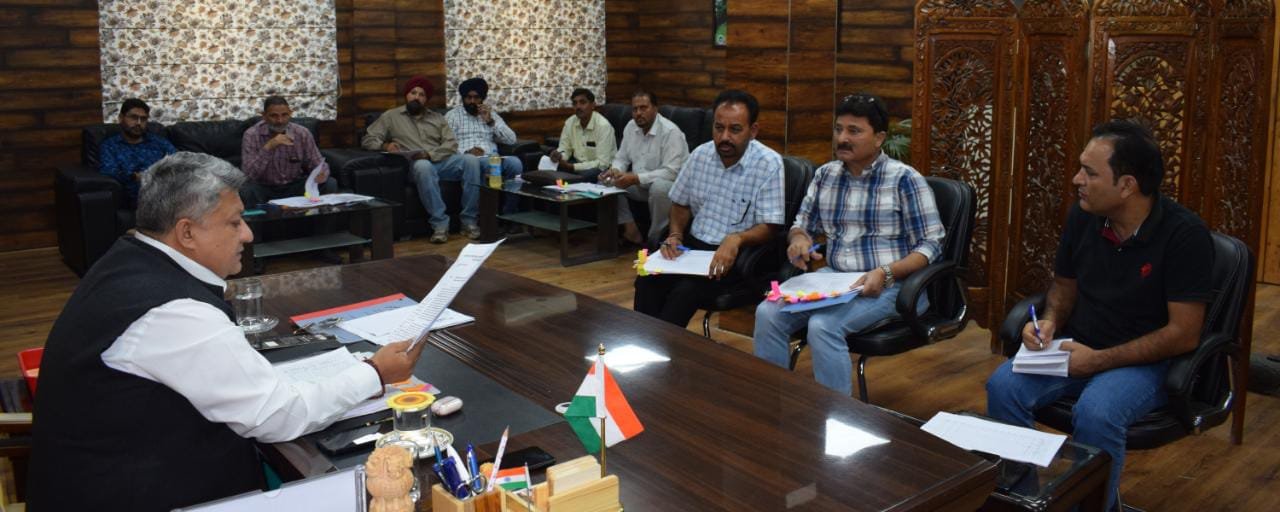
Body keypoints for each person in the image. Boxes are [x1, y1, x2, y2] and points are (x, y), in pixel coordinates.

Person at [28, 152, 427, 511]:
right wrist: (375, 372)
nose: (248, 235)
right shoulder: (173, 312)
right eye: (234, 223)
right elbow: (278, 416)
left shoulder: (128, 257)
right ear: (186, 233)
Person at [985, 120, 1214, 510]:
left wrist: (1098, 361)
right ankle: (1023, 499)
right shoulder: (1084, 216)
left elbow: (1184, 333)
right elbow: (1063, 288)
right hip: (1079, 346)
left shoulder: (1185, 235)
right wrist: (1049, 321)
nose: (1077, 179)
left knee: (1097, 412)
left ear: (1127, 185)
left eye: (1089, 173)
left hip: (1147, 360)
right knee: (1002, 387)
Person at [752, 93, 944, 396]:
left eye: (854, 131)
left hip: (893, 284)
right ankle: (771, 400)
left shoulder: (904, 179)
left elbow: (931, 245)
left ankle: (834, 414)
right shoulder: (825, 175)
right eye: (838, 129)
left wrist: (886, 272)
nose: (842, 138)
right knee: (768, 313)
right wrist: (799, 240)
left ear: (879, 138)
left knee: (823, 326)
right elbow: (802, 225)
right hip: (836, 279)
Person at [633, 89, 783, 327]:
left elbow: (770, 226)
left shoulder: (769, 164)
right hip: (692, 248)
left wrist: (737, 239)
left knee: (684, 292)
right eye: (718, 128)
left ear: (753, 131)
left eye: (735, 129)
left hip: (734, 255)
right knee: (647, 280)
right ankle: (644, 342)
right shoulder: (700, 155)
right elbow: (680, 203)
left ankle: (662, 345)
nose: (724, 137)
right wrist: (675, 234)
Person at [362, 75, 482, 243]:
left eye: (422, 94)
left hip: (440, 161)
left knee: (471, 161)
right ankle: (440, 225)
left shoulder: (437, 118)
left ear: (426, 99)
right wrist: (385, 145)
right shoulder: (391, 116)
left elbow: (451, 144)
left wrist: (431, 154)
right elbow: (368, 139)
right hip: (415, 165)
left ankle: (469, 221)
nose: (416, 97)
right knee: (423, 166)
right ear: (407, 95)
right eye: (413, 93)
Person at [601, 91, 689, 245]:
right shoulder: (631, 126)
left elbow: (672, 172)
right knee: (607, 183)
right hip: (639, 184)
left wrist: (636, 178)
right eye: (635, 109)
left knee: (659, 188)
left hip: (670, 187)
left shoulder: (670, 132)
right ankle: (631, 229)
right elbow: (621, 158)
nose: (638, 113)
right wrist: (615, 171)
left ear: (655, 108)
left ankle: (655, 239)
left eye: (643, 108)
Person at [239, 95, 336, 207]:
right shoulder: (251, 135)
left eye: (284, 115)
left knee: (330, 183)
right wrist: (269, 147)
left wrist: (322, 173)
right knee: (246, 190)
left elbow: (318, 163)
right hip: (264, 187)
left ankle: (321, 218)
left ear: (290, 113)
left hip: (294, 185)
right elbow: (248, 175)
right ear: (264, 116)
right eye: (274, 116)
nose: (280, 121)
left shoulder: (302, 133)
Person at [445, 77, 522, 215]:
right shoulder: (452, 116)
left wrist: (490, 121)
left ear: (482, 98)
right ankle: (483, 215)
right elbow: (446, 144)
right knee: (483, 164)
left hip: (493, 158)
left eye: (476, 97)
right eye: (468, 97)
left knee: (515, 163)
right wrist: (466, 152)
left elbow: (512, 140)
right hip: (467, 160)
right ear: (463, 98)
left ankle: (510, 213)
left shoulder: (491, 115)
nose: (472, 101)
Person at [98, 98, 176, 206]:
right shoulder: (110, 146)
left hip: (168, 189)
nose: (139, 123)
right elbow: (109, 171)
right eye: (134, 117)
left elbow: (179, 159)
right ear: (121, 118)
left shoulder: (158, 142)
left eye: (143, 119)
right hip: (138, 196)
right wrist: (136, 176)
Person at [549, 87, 617, 182]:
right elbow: (564, 149)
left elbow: (603, 163)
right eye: (575, 103)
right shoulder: (570, 122)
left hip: (601, 169)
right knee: (553, 171)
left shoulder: (603, 126)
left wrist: (573, 167)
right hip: (577, 165)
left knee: (584, 176)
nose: (578, 107)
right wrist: (559, 156)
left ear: (593, 105)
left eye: (582, 102)